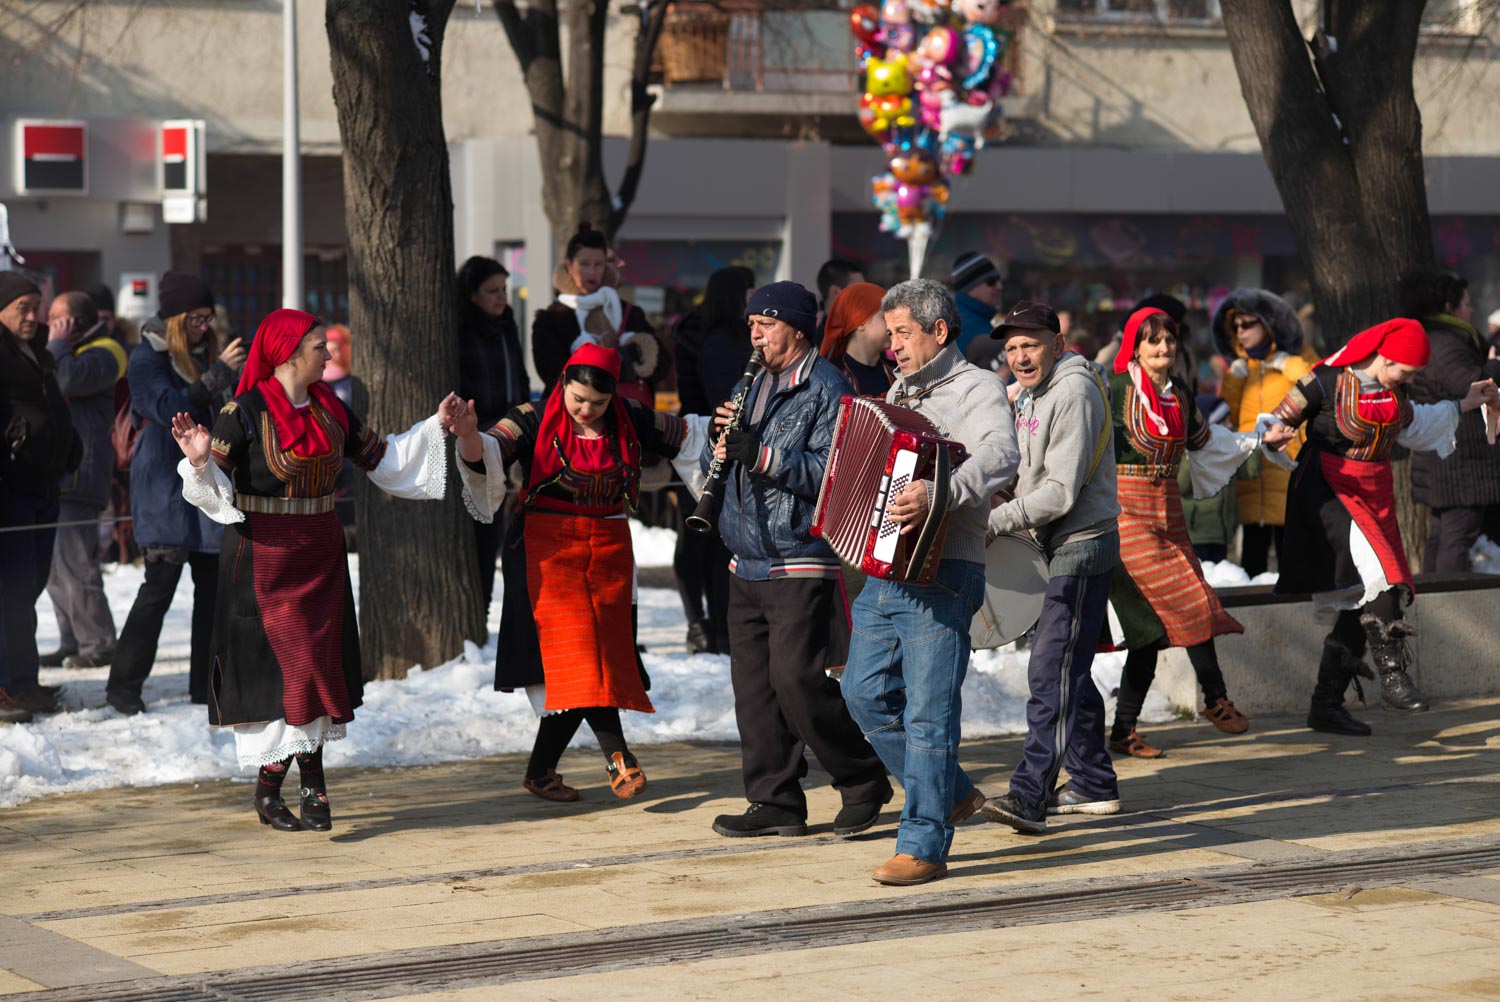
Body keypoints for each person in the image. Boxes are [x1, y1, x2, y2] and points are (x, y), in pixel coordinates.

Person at [173, 308, 456, 831]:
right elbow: (216, 493)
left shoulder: (331, 408)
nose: (329, 354)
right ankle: (297, 789)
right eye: (319, 345)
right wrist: (199, 462)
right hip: (264, 559)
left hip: (321, 553)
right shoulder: (243, 411)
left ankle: (293, 789)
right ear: (288, 352)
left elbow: (384, 458)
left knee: (318, 669)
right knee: (291, 670)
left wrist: (435, 427)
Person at [449, 343, 707, 803]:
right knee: (581, 653)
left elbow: (687, 436)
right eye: (578, 399)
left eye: (598, 403)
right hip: (547, 550)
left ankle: (540, 770)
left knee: (594, 660)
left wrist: (728, 427)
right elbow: (490, 450)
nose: (587, 410)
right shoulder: (532, 415)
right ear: (563, 383)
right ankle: (618, 755)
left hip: (607, 549)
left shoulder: (630, 415)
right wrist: (469, 435)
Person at [838, 279, 1019, 886]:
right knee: (861, 693)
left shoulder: (980, 388)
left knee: (928, 713)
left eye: (902, 334)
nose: (892, 347)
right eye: (888, 335)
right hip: (885, 568)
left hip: (946, 570)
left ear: (939, 332)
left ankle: (922, 843)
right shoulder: (895, 391)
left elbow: (1001, 455)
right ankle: (952, 790)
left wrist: (943, 490)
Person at [705, 281, 891, 840]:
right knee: (754, 690)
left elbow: (834, 474)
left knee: (796, 680)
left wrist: (759, 454)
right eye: (751, 323)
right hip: (746, 555)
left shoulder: (826, 387)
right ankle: (775, 801)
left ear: (798, 328)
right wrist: (719, 443)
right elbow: (731, 461)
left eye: (767, 322)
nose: (756, 333)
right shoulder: (754, 382)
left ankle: (862, 778)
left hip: (800, 554)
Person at [1267, 319, 1496, 734]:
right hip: (1330, 491)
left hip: (1375, 490)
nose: (1407, 380)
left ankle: (1326, 703)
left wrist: (1466, 400)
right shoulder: (1324, 381)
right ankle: (1393, 678)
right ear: (1386, 357)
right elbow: (1275, 421)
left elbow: (1413, 424)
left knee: (1364, 596)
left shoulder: (1395, 390)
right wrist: (1275, 434)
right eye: (1405, 372)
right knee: (1381, 579)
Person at [1103, 307, 1280, 759]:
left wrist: (1258, 439)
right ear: (1135, 347)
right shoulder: (1114, 389)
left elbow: (1207, 443)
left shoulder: (1180, 393)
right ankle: (1216, 699)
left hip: (1168, 515)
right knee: (1180, 608)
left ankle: (1123, 731)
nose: (1163, 348)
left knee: (1159, 627)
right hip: (1126, 516)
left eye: (1169, 340)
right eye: (1153, 341)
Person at [979, 300, 1122, 835]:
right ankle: (1091, 782)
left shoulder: (1075, 391)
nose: (1019, 355)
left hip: (1079, 546)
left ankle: (1030, 794)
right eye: (1011, 347)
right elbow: (1027, 476)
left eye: (1030, 344)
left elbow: (1060, 492)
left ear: (1057, 345)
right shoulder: (1032, 396)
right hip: (1049, 546)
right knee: (1066, 668)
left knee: (1050, 671)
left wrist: (994, 523)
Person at [106, 272, 245, 716]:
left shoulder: (206, 353)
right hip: (164, 482)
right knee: (158, 587)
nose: (203, 327)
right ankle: (123, 688)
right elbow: (168, 409)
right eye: (195, 319)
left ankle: (205, 688)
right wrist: (218, 374)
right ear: (175, 319)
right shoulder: (147, 356)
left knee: (211, 587)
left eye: (208, 318)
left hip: (206, 478)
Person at [0, 273, 81, 720]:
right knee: (10, 590)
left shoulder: (39, 350)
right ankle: (12, 685)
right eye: (22, 308)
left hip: (44, 486)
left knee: (28, 588)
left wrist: (70, 449)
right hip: (11, 489)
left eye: (36, 307)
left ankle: (23, 679)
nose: (32, 316)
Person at [39, 291, 127, 669]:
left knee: (76, 564)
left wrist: (57, 344)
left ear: (76, 321)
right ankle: (72, 639)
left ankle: (100, 643)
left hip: (82, 473)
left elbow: (66, 380)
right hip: (57, 473)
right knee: (53, 569)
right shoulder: (67, 348)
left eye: (57, 318)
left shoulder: (108, 350)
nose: (49, 323)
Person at [673, 266, 755, 654]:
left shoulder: (705, 334)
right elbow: (729, 398)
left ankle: (705, 625)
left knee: (701, 542)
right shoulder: (724, 341)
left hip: (698, 443)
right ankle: (710, 627)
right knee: (708, 541)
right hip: (710, 446)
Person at [1398, 269, 1500, 573]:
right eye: (1466, 304)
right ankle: (1448, 603)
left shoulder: (1439, 337)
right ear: (1448, 305)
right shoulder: (1444, 341)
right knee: (1457, 534)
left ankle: (1433, 599)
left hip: (1451, 454)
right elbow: (1471, 386)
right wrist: (1494, 363)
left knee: (1443, 534)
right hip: (1459, 458)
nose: (1471, 310)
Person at [1212, 288, 1318, 577]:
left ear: (1268, 323)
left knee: (1293, 565)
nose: (1241, 332)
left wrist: (1289, 365)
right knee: (1252, 567)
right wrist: (1233, 378)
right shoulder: (1242, 368)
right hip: (1253, 478)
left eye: (1248, 324)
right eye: (1236, 327)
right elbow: (1232, 416)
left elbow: (1317, 389)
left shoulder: (1297, 358)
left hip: (1289, 476)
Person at [456, 256, 531, 619]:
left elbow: (518, 377)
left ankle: (487, 608)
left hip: (510, 435)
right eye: (492, 291)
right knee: (481, 531)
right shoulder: (460, 329)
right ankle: (479, 610)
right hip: (478, 437)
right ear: (472, 295)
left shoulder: (507, 326)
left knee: (498, 529)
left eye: (504, 289)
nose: (502, 297)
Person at [532, 224, 661, 406]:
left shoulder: (629, 312)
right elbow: (552, 374)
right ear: (569, 265)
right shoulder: (551, 318)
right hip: (574, 418)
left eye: (598, 264)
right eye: (584, 264)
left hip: (628, 415)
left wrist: (637, 350)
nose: (592, 272)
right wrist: (620, 362)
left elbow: (661, 364)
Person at [1176, 395, 1261, 565]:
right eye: (1224, 421)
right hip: (1196, 534)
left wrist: (1254, 442)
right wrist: (1188, 459)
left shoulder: (1227, 453)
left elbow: (1250, 472)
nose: (1231, 425)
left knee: (1220, 579)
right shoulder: (1189, 453)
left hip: (1221, 533)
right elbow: (1182, 487)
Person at [818, 281, 895, 397]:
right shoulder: (830, 379)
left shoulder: (897, 374)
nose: (893, 325)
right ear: (861, 322)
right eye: (885, 317)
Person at [949, 251, 1003, 357]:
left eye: (999, 280)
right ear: (971, 286)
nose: (999, 286)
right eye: (991, 281)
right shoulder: (963, 324)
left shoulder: (965, 316)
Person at [814, 258, 866, 337]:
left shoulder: (864, 333)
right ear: (835, 292)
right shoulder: (816, 343)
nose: (865, 295)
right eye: (858, 290)